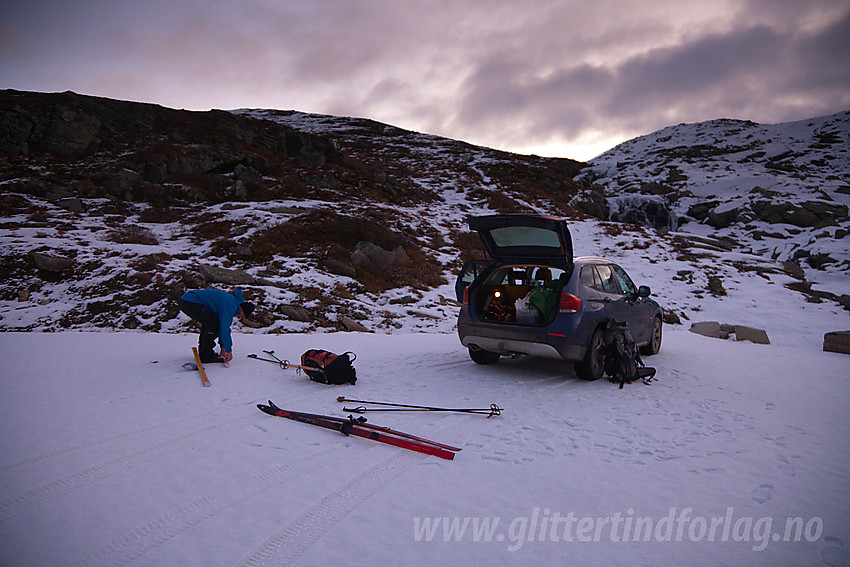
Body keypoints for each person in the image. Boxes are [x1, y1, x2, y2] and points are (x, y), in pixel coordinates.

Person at [179, 288, 254, 363]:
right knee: (212, 324)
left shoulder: (234, 303)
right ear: (242, 310)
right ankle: (206, 356)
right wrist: (228, 351)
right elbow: (225, 329)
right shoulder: (230, 305)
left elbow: (222, 326)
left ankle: (205, 353)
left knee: (212, 323)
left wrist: (223, 346)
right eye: (242, 315)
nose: (240, 317)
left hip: (188, 300)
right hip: (190, 301)